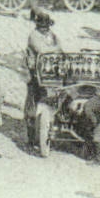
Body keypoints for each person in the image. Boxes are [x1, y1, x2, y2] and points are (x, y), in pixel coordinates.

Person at [24, 12, 62, 155]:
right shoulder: (33, 36)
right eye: (43, 26)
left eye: (47, 26)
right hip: (36, 72)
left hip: (51, 71)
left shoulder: (52, 35)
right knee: (32, 105)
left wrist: (57, 49)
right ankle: (31, 137)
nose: (45, 29)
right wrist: (55, 49)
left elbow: (60, 46)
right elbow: (42, 50)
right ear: (38, 25)